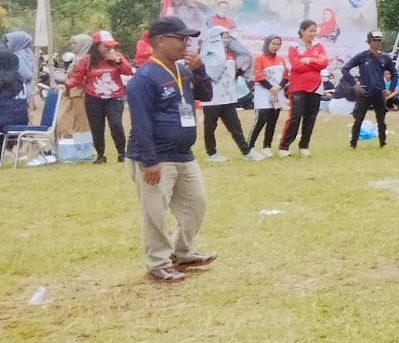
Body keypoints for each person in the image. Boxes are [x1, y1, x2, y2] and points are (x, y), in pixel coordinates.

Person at [125, 16, 218, 284]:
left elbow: (207, 95)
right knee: (155, 212)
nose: (185, 43)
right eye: (180, 38)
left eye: (186, 39)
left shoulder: (184, 70)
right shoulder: (144, 78)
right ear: (159, 41)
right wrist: (150, 160)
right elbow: (141, 122)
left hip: (183, 153)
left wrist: (200, 70)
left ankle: (183, 252)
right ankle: (158, 263)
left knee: (196, 204)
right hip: (155, 157)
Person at [65, 30, 135, 164]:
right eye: (106, 46)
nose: (109, 48)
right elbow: (77, 77)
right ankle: (101, 155)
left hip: (114, 97)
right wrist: (67, 85)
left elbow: (128, 71)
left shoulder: (117, 57)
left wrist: (118, 61)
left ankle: (122, 153)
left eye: (111, 46)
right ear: (97, 46)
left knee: (116, 124)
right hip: (93, 98)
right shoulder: (87, 60)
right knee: (97, 127)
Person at [199, 27, 262, 162]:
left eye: (228, 37)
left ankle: (246, 151)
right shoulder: (207, 55)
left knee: (235, 125)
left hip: (228, 97)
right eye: (223, 37)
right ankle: (211, 153)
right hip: (212, 98)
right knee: (210, 126)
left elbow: (238, 69)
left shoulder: (232, 54)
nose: (226, 40)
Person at [278, 19, 328, 157]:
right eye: (310, 31)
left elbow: (324, 63)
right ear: (302, 31)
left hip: (316, 87)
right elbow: (296, 66)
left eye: (314, 31)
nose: (313, 34)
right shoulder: (294, 47)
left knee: (310, 117)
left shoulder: (319, 46)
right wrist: (314, 63)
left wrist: (309, 60)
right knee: (295, 117)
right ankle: (284, 146)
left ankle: (304, 146)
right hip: (298, 87)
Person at [343, 31, 398, 149]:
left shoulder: (385, 57)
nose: (377, 42)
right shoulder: (362, 56)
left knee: (381, 120)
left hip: (379, 92)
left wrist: (390, 89)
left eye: (379, 40)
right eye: (374, 40)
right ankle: (353, 144)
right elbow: (345, 69)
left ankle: (383, 143)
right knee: (358, 119)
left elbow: (394, 73)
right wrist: (354, 84)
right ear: (369, 42)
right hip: (365, 92)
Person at [248, 35, 288, 152]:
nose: (275, 46)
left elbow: (286, 76)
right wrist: (271, 87)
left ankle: (267, 147)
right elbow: (259, 76)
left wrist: (279, 86)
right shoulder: (260, 58)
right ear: (267, 44)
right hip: (263, 93)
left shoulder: (280, 59)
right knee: (261, 119)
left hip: (277, 93)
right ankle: (249, 146)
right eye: (273, 44)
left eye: (278, 44)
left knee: (272, 121)